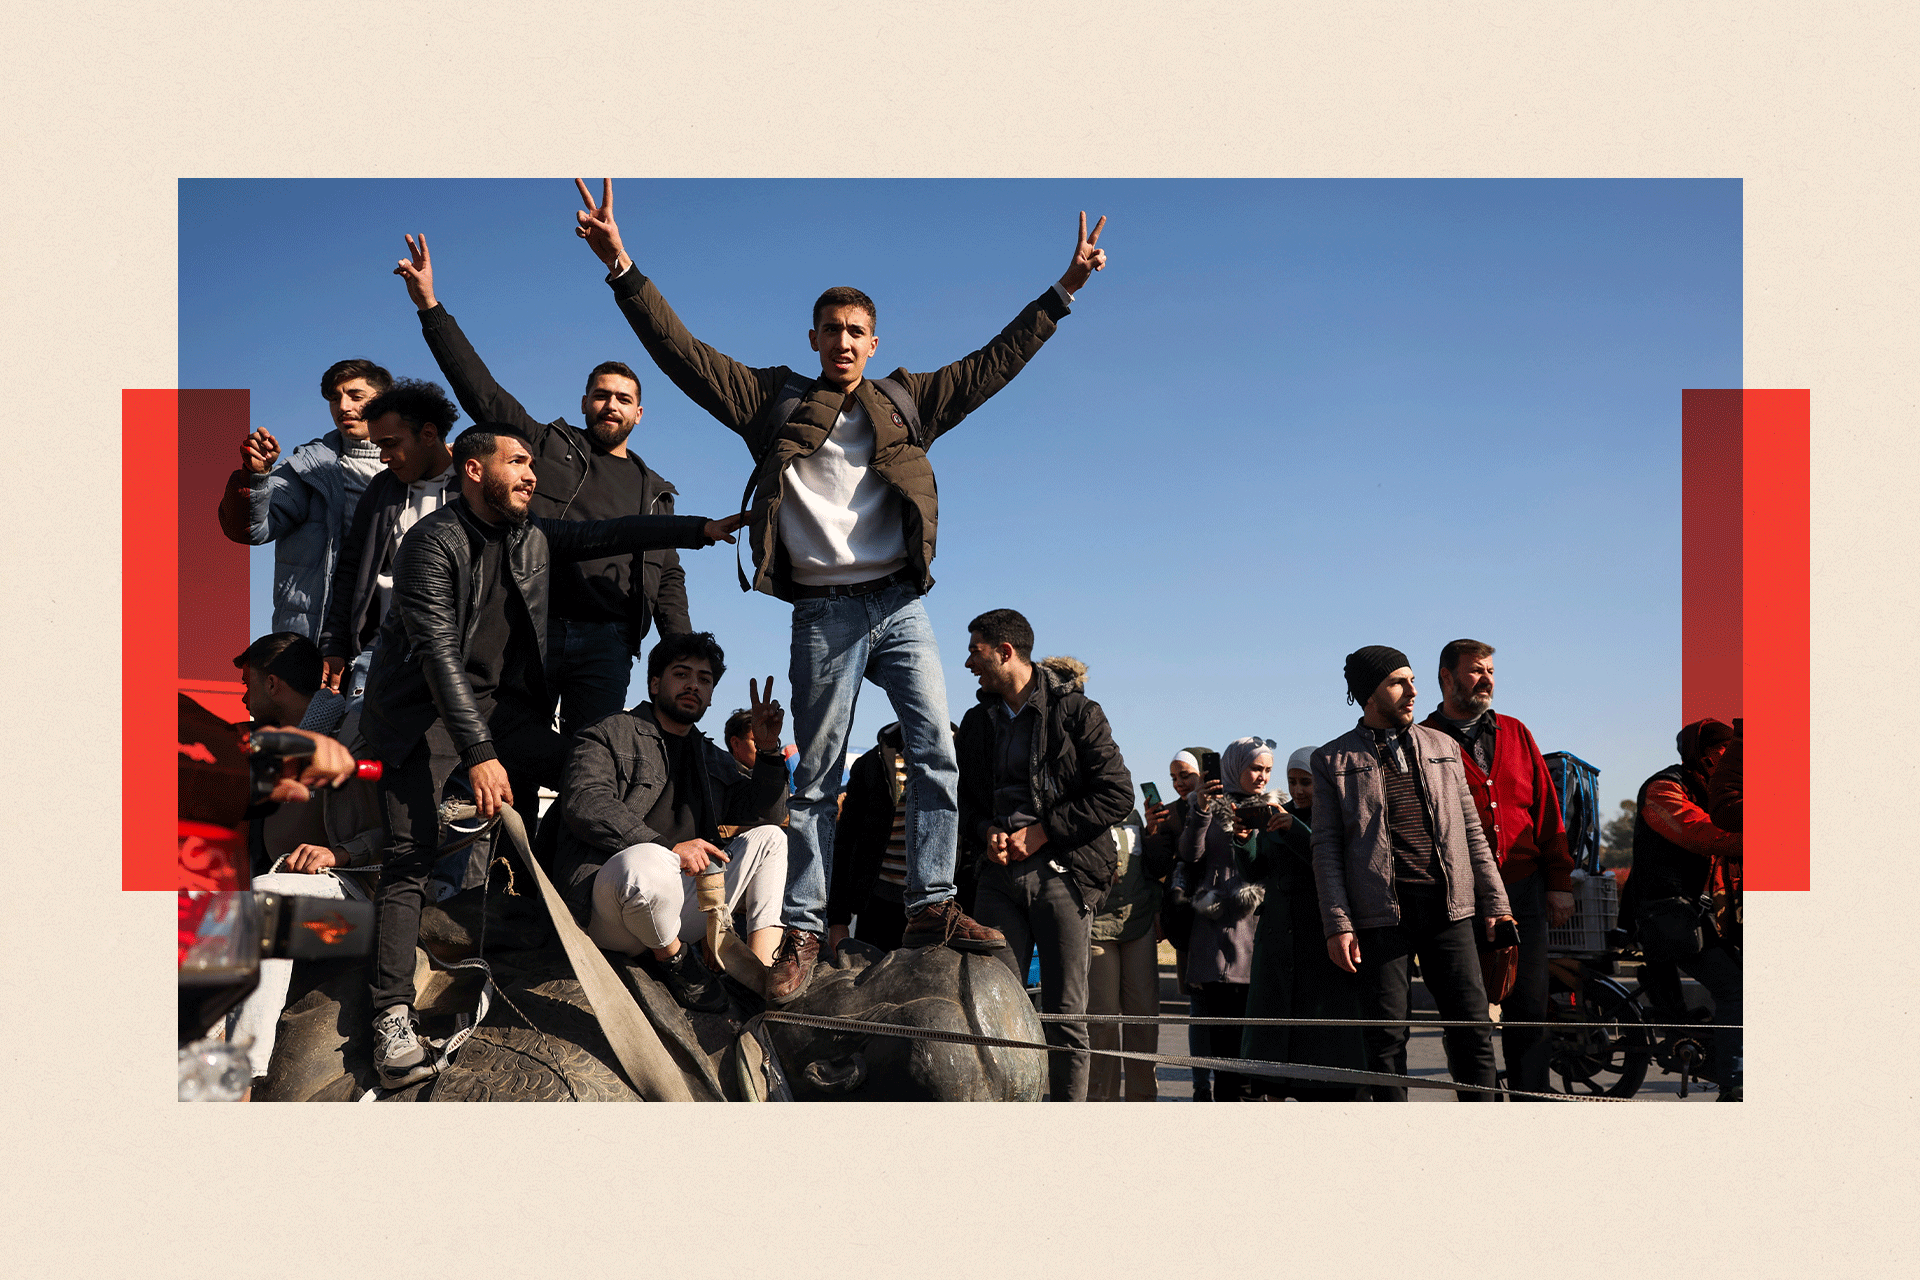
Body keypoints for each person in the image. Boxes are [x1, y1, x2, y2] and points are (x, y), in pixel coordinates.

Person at [571, 178, 1110, 1001]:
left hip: (898, 605)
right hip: (823, 613)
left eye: (857, 331)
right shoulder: (775, 398)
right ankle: (808, 927)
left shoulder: (907, 399)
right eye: (831, 331)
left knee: (934, 751)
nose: (844, 342)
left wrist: (1062, 292)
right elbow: (683, 355)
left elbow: (992, 364)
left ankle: (931, 903)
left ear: (874, 338)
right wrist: (622, 269)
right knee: (817, 774)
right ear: (815, 338)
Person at [358, 423, 744, 1086]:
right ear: (471, 468)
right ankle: (391, 1019)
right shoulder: (433, 543)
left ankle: (552, 910)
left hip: (498, 714)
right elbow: (438, 657)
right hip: (419, 718)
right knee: (408, 860)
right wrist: (479, 753)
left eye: (534, 463)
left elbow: (611, 532)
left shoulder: (529, 535)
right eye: (516, 461)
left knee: (581, 773)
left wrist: (699, 530)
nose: (531, 473)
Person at [394, 234, 692, 738]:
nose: (611, 405)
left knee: (589, 758)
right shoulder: (545, 447)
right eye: (601, 395)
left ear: (639, 414)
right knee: (515, 746)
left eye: (624, 398)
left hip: (609, 643)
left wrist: (682, 651)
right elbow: (481, 391)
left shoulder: (655, 492)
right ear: (584, 403)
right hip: (531, 625)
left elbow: (667, 582)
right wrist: (430, 307)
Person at [1311, 646, 1515, 1101]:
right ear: (1368, 693)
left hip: (1450, 911)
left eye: (1412, 680)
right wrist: (1338, 923)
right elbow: (1325, 851)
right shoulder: (1332, 760)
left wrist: (1497, 906)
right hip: (1380, 918)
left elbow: (1472, 833)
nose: (1413, 692)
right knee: (1385, 1043)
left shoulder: (1443, 746)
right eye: (1398, 682)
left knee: (1473, 1034)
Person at [553, 633, 790, 1013]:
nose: (694, 684)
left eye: (705, 679)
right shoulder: (610, 732)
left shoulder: (710, 756)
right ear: (654, 683)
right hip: (614, 903)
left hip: (682, 903)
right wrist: (668, 848)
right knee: (646, 858)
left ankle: (758, 978)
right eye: (681, 674)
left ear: (711, 696)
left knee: (771, 840)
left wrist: (769, 752)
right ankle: (677, 963)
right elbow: (585, 802)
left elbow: (765, 813)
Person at [957, 610, 1134, 1102]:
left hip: (1063, 874)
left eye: (976, 650)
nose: (968, 662)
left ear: (1005, 652)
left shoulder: (1078, 713)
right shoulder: (976, 722)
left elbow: (1118, 795)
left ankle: (1063, 1134)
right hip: (996, 880)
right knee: (997, 1015)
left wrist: (1043, 834)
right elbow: (965, 802)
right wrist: (985, 829)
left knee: (1064, 1017)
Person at [225, 632, 386, 1082]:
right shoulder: (274, 751)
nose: (243, 695)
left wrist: (340, 853)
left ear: (272, 684)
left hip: (360, 905)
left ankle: (239, 1079)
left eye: (247, 683)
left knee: (264, 902)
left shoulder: (353, 737)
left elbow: (404, 831)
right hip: (299, 890)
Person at [1420, 638, 1575, 1099]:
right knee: (1466, 1016)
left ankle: (1533, 1106)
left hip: (1524, 889)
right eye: (1474, 671)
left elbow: (1547, 812)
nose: (1486, 679)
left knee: (1529, 1011)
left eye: (1490, 670)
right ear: (1446, 677)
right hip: (1457, 897)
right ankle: (1478, 1109)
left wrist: (1559, 882)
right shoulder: (1424, 739)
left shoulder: (1516, 732)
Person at [217, 358, 393, 638]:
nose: (343, 407)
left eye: (356, 396)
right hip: (313, 641)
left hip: (389, 640)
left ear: (385, 401)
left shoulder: (418, 469)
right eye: (334, 399)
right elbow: (248, 528)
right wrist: (255, 476)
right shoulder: (308, 469)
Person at [317, 379, 459, 705]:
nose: (383, 457)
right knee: (361, 743)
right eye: (378, 446)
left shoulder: (472, 484)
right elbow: (351, 569)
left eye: (391, 444)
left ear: (427, 434)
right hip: (382, 650)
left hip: (457, 651)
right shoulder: (382, 489)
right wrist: (334, 645)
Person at [1238, 745, 1367, 1100]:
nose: (1298, 790)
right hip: (1279, 939)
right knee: (1275, 1032)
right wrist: (1243, 842)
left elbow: (1331, 861)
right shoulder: (1280, 814)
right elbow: (1257, 871)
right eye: (1293, 782)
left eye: (1306, 782)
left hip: (1319, 936)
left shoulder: (1336, 814)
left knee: (1319, 1034)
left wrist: (1294, 829)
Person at [1627, 718, 1743, 1100]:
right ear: (1704, 754)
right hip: (1665, 913)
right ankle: (1734, 1084)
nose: (1731, 757)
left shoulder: (1711, 789)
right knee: (1735, 990)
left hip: (1698, 914)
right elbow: (1696, 833)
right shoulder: (1665, 788)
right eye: (1723, 750)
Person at [1178, 737, 1278, 1103]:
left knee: (1256, 1040)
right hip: (1217, 928)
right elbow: (1190, 854)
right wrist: (1202, 808)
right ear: (1235, 767)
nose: (1262, 777)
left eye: (1267, 769)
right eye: (1255, 768)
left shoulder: (1273, 806)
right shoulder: (1208, 804)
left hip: (1258, 930)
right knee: (1222, 1038)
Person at [1144, 748, 1212, 1099]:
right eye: (1173, 777)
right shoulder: (1169, 813)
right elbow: (1156, 869)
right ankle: (1202, 1088)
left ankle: (1239, 1086)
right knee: (1198, 1007)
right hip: (1189, 921)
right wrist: (1152, 830)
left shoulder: (1226, 804)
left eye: (1185, 774)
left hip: (1227, 918)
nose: (1179, 783)